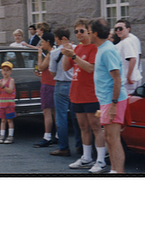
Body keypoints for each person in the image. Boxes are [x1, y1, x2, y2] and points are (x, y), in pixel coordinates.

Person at [62, 18, 107, 173]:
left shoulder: (94, 48)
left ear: (89, 31)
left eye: (82, 31)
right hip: (77, 93)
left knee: (95, 126)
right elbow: (66, 67)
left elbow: (90, 68)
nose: (79, 34)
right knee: (83, 127)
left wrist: (74, 56)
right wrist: (66, 52)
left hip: (91, 94)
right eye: (76, 31)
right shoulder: (78, 48)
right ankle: (86, 157)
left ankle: (100, 160)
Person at [88, 18, 128, 174]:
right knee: (109, 139)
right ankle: (114, 170)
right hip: (107, 100)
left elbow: (117, 78)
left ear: (95, 34)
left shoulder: (107, 50)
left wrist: (113, 105)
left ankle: (119, 172)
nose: (89, 35)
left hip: (112, 101)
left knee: (113, 138)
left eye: (90, 32)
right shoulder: (103, 48)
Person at [48, 26, 82, 157]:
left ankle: (63, 147)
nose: (55, 41)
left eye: (56, 38)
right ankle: (80, 146)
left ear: (61, 38)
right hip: (74, 84)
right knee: (77, 117)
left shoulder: (55, 53)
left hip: (61, 84)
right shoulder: (76, 49)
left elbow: (52, 72)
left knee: (61, 117)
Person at [33, 32, 57, 147]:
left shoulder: (49, 54)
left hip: (47, 85)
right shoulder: (55, 52)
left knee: (46, 111)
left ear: (48, 42)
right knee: (54, 112)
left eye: (42, 41)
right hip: (53, 83)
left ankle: (47, 136)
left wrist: (39, 55)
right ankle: (57, 135)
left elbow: (41, 66)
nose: (41, 44)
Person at [114, 20, 142, 94]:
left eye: (120, 28)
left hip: (129, 81)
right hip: (132, 78)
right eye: (116, 29)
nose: (118, 31)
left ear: (128, 29)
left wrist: (128, 77)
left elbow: (132, 59)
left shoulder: (126, 42)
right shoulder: (129, 40)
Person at [0, 61, 16, 144]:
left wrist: (2, 86)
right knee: (3, 120)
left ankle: (10, 136)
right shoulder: (1, 81)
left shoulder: (11, 80)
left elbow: (10, 90)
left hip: (9, 104)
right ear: (1, 71)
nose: (5, 72)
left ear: (10, 72)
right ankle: (2, 135)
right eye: (4, 70)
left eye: (7, 70)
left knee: (9, 120)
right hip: (1, 104)